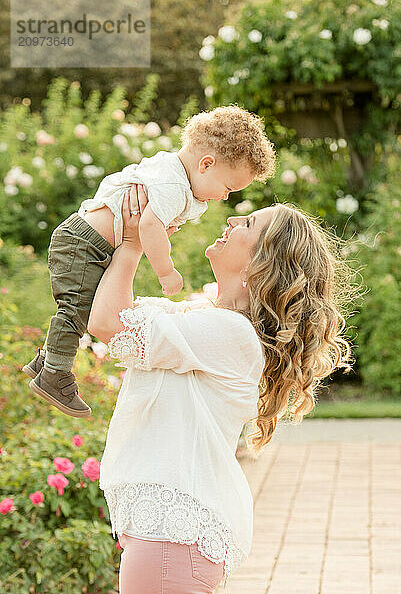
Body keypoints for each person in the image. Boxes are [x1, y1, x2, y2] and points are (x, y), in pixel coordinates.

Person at [87, 184, 356, 593]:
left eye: (247, 223)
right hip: (169, 537)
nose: (231, 219)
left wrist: (132, 244)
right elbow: (109, 308)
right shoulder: (208, 318)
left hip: (171, 538)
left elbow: (108, 323)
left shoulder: (229, 333)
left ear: (261, 265)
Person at [22, 105, 276, 419]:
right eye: (228, 188)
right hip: (85, 243)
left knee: (83, 307)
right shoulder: (173, 186)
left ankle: (47, 360)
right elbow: (148, 226)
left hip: (90, 240)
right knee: (76, 310)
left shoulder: (171, 170)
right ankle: (54, 375)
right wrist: (166, 272)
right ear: (206, 164)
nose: (225, 198)